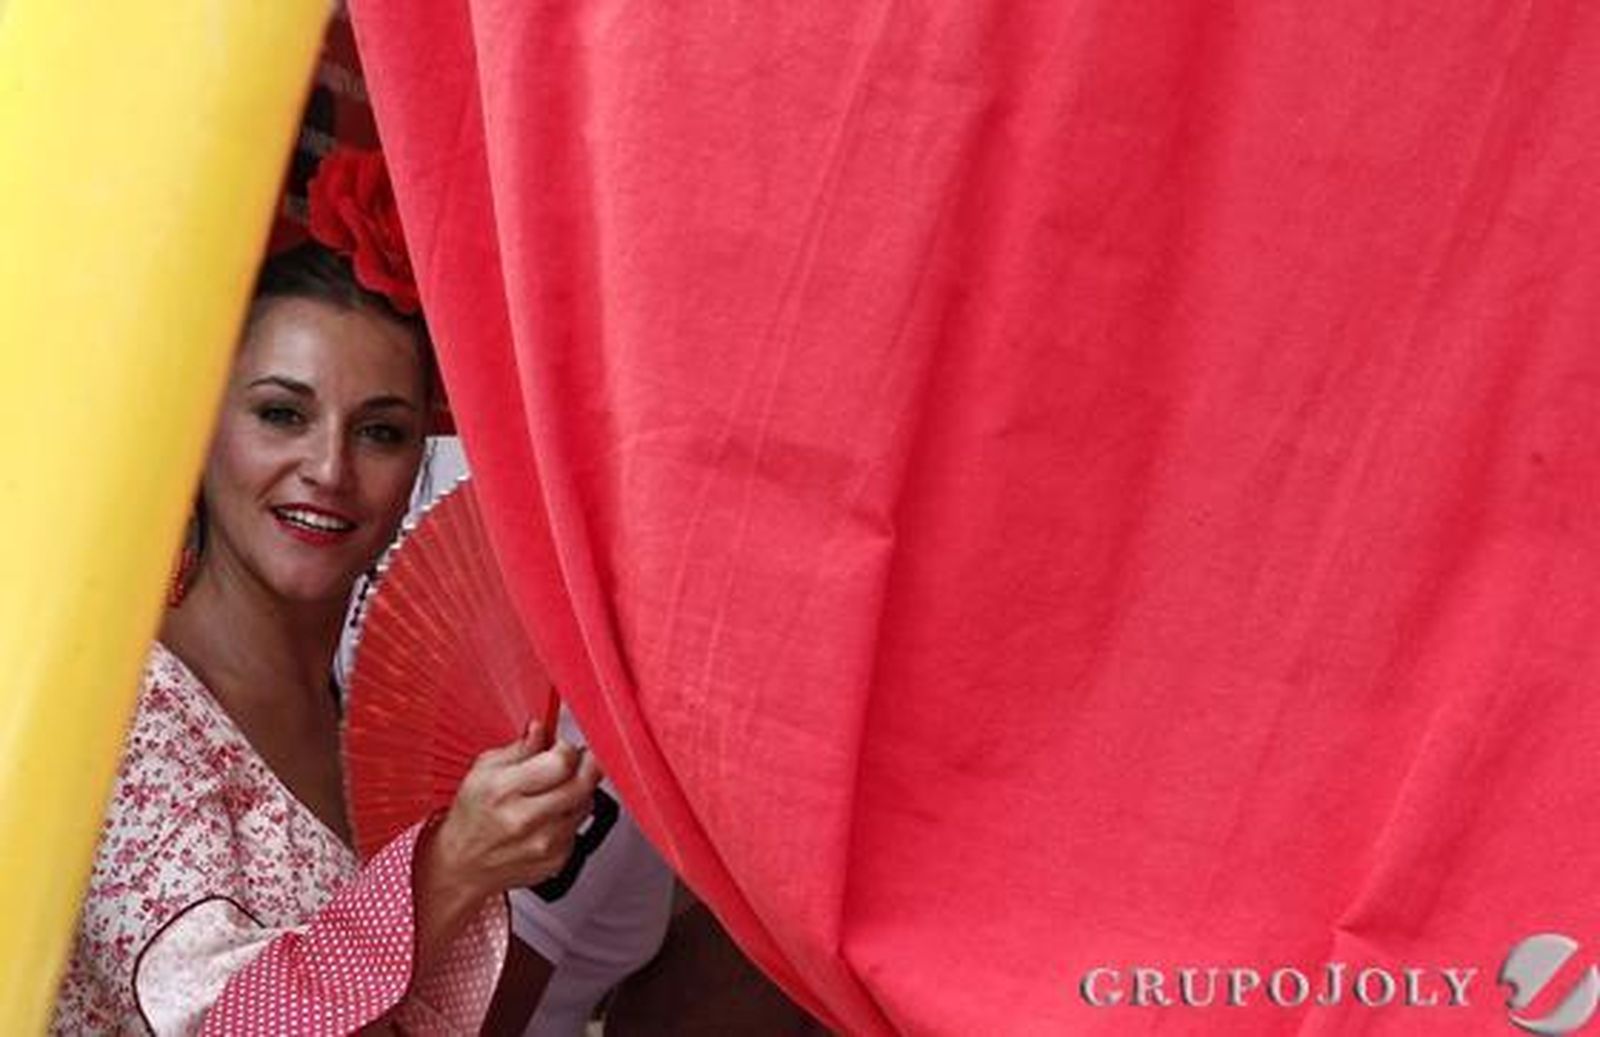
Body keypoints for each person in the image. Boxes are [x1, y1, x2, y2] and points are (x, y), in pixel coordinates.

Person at [51, 148, 601, 1034]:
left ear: (419, 459)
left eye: (379, 431)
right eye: (281, 414)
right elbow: (217, 1024)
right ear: (200, 427)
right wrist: (451, 866)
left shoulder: (362, 732)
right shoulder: (128, 708)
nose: (329, 469)